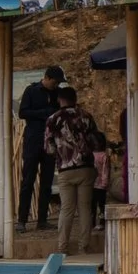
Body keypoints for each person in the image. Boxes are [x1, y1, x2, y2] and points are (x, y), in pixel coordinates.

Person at [42, 84, 109, 256]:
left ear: (59, 99)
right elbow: (96, 141)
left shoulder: (52, 120)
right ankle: (83, 248)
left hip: (65, 170)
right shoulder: (86, 116)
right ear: (75, 98)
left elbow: (49, 149)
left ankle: (62, 248)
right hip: (86, 168)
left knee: (66, 209)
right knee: (85, 208)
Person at [16, 64, 62, 230]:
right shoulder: (32, 91)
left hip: (49, 142)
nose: (56, 86)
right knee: (28, 181)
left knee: (47, 182)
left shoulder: (56, 93)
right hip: (33, 140)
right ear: (47, 78)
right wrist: (44, 113)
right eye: (54, 82)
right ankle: (22, 220)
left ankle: (42, 219)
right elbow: (23, 113)